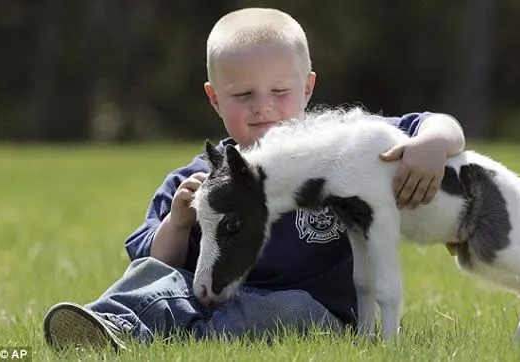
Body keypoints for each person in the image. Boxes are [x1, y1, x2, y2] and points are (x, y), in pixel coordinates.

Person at [43, 7, 465, 351]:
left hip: (315, 308)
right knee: (157, 283)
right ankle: (107, 323)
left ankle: (172, 337)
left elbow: (431, 124)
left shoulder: (339, 149)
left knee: (286, 309)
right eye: (244, 95)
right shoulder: (198, 178)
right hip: (207, 295)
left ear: (308, 88)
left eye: (279, 92)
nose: (263, 108)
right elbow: (157, 260)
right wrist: (178, 223)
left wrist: (431, 142)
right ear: (214, 99)